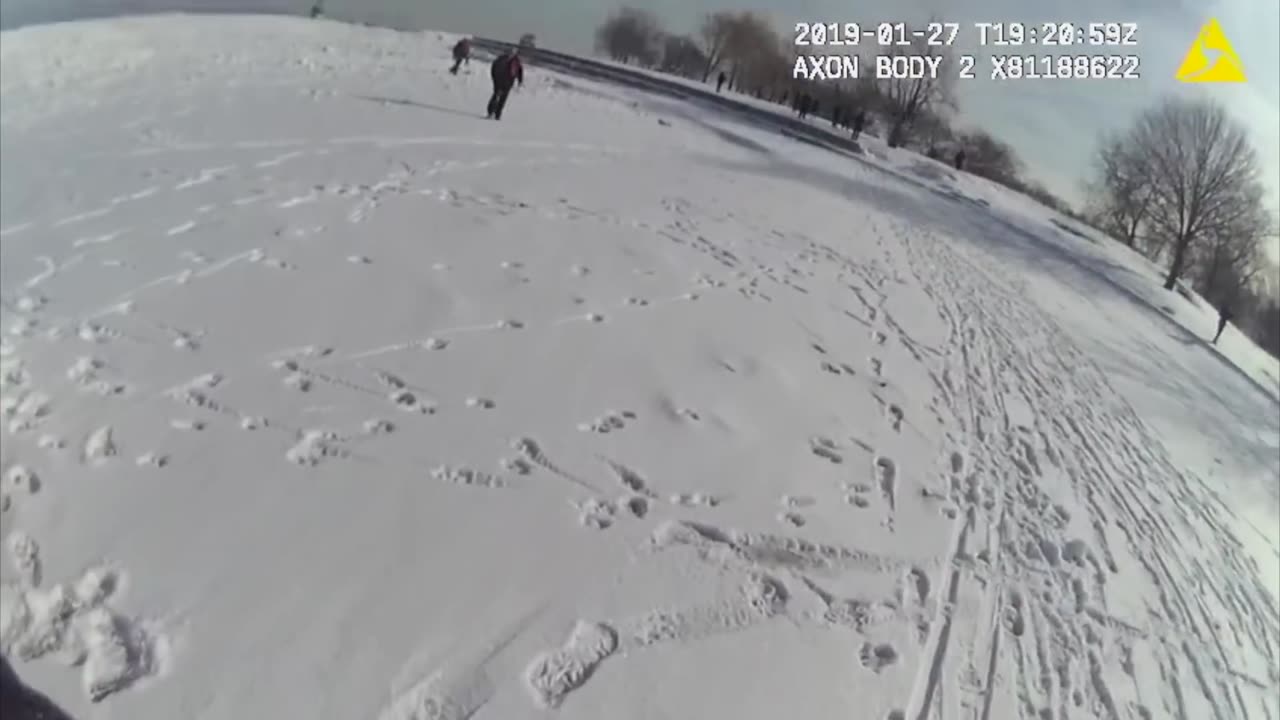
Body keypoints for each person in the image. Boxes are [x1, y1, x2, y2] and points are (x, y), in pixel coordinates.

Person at [486, 47, 524, 120]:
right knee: (496, 96)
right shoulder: (502, 59)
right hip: (499, 81)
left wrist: (520, 81)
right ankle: (491, 112)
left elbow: (520, 71)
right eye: (510, 52)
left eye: (512, 53)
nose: (511, 54)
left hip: (508, 83)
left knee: (502, 99)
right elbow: (494, 68)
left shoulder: (516, 61)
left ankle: (497, 114)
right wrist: (494, 78)